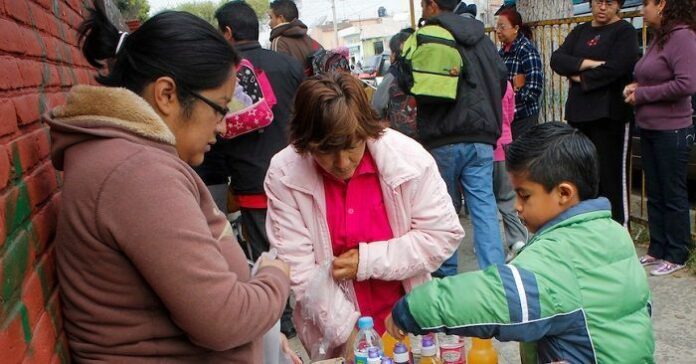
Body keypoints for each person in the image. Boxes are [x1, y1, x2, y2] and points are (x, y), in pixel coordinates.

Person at [46, 5, 291, 362]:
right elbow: (223, 319)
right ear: (166, 95)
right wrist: (273, 276)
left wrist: (264, 336)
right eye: (220, 108)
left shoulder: (132, 159)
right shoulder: (137, 174)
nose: (223, 128)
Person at [386, 122, 655, 364]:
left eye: (524, 195)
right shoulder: (613, 233)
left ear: (563, 193)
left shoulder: (559, 257)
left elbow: (492, 297)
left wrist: (411, 309)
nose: (516, 206)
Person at [264, 72, 464, 360]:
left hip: (405, 321)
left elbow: (442, 234)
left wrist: (367, 261)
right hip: (333, 328)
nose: (342, 163)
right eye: (325, 151)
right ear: (305, 144)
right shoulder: (285, 174)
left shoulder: (408, 160)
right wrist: (351, 335)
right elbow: (298, 268)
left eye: (351, 147)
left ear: (367, 132)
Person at [416, 0, 508, 273]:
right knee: (483, 205)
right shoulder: (483, 39)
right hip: (481, 136)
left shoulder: (432, 35)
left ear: (432, 5)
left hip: (443, 134)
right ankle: (496, 275)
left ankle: (447, 279)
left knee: (443, 209)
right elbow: (501, 78)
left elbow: (416, 83)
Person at [550, 0, 640, 227]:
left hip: (610, 116)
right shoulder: (580, 31)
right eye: (598, 2)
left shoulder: (624, 31)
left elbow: (618, 67)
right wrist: (590, 64)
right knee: (583, 178)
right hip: (579, 115)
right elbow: (558, 60)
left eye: (609, 3)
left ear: (618, 5)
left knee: (611, 178)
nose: (602, 7)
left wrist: (580, 77)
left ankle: (619, 228)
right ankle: (588, 228)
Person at [624, 0, 696, 276]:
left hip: (672, 129)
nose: (642, 10)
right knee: (654, 191)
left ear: (662, 5)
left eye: (646, 4)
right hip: (651, 127)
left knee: (672, 193)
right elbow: (653, 75)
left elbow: (686, 83)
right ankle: (658, 247)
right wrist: (637, 86)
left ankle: (677, 252)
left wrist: (642, 94)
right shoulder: (660, 37)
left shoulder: (683, 37)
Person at [496, 8, 544, 140]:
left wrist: (512, 100)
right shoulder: (501, 52)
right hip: (507, 117)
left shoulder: (526, 50)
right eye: (497, 27)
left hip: (523, 117)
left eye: (502, 27)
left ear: (515, 28)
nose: (498, 30)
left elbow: (534, 88)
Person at [496, 81, 528, 261]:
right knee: (507, 198)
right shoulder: (505, 84)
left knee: (483, 202)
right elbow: (510, 115)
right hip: (504, 145)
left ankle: (489, 243)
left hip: (482, 147)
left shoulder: (475, 80)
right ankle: (517, 241)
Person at [371, 29, 418, 139]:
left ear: (394, 54)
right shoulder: (424, 70)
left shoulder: (393, 75)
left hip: (401, 138)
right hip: (427, 138)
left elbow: (376, 107)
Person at [269, 0, 323, 72]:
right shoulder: (312, 42)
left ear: (281, 18)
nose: (269, 23)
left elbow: (280, 76)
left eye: (271, 17)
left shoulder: (278, 42)